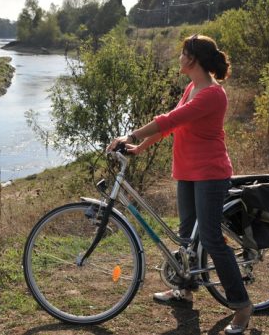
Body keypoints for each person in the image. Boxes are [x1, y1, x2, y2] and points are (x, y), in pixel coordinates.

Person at [108, 34, 252, 334]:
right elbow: (172, 124)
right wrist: (140, 148)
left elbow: (170, 119)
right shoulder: (191, 87)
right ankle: (184, 291)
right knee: (187, 237)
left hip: (210, 173)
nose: (178, 58)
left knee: (211, 238)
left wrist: (131, 135)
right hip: (186, 171)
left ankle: (241, 305)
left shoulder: (212, 94)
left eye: (182, 53)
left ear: (193, 59)